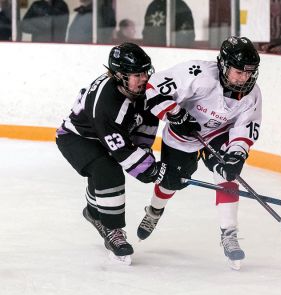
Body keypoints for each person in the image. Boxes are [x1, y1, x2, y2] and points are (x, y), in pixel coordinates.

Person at [138, 36, 262, 269]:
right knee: (171, 182)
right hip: (183, 135)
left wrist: (237, 153)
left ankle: (229, 234)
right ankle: (154, 210)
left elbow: (245, 126)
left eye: (249, 73)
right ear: (224, 65)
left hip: (217, 135)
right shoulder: (199, 74)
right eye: (238, 72)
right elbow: (153, 87)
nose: (244, 78)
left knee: (227, 174)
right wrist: (176, 114)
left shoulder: (252, 94)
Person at [56, 43, 160, 264]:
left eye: (145, 72)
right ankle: (112, 230)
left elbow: (146, 126)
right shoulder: (107, 103)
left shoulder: (142, 91)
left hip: (105, 136)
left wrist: (147, 160)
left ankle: (94, 213)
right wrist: (147, 170)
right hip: (77, 138)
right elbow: (122, 152)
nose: (143, 78)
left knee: (106, 169)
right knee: (107, 169)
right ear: (119, 75)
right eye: (136, 74)